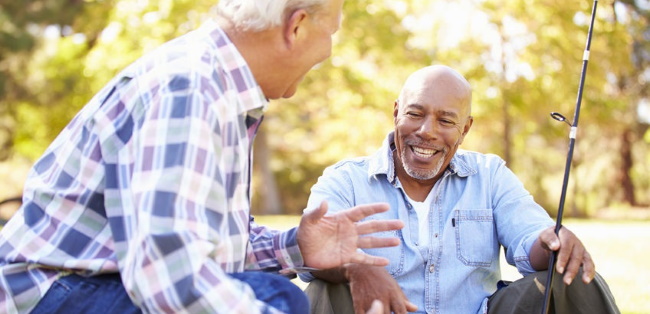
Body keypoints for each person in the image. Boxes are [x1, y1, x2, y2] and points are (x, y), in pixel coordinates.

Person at [0, 0, 407, 313]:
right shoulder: (190, 91)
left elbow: (199, 245)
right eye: (331, 30)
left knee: (276, 294)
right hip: (53, 293)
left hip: (90, 283)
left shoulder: (218, 87)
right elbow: (169, 273)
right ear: (296, 25)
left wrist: (296, 245)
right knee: (275, 300)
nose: (331, 49)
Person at [300, 65, 620, 314]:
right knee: (323, 288)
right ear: (396, 112)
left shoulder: (490, 174)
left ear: (465, 128)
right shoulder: (346, 180)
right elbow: (312, 251)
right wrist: (355, 269)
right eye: (415, 113)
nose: (427, 131)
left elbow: (530, 237)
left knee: (570, 273)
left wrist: (553, 241)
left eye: (446, 121)